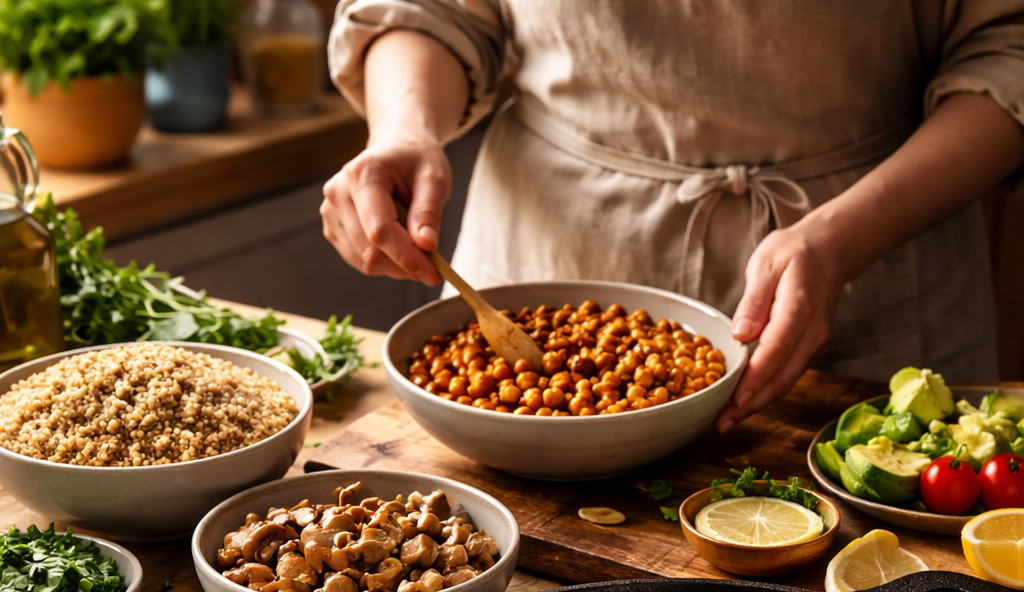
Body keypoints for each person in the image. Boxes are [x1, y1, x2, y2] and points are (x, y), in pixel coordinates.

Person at [320, 2, 1024, 432]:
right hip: (554, 237)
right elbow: (428, 9)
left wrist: (845, 237)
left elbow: (1011, 47)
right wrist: (403, 130)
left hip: (878, 246)